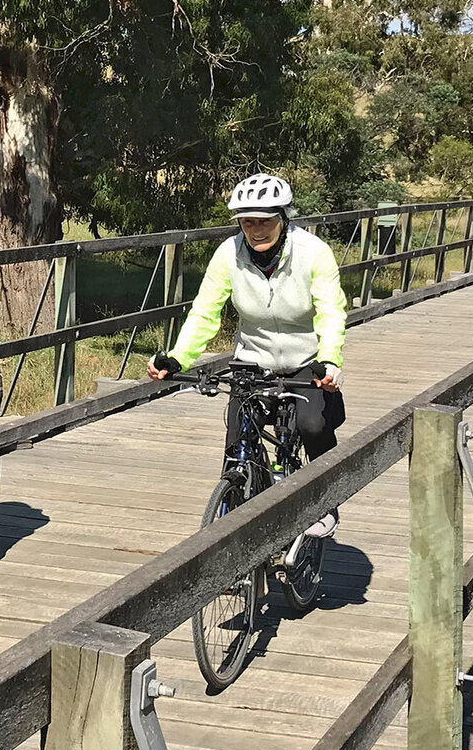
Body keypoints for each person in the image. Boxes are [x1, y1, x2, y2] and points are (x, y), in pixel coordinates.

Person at [148, 172, 349, 552]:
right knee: (236, 441)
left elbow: (330, 311)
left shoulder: (313, 252)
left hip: (307, 359)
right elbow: (205, 312)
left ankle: (325, 501)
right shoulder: (229, 254)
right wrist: (177, 357)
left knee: (312, 424)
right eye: (247, 220)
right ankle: (235, 510)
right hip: (252, 359)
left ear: (283, 217)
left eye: (265, 220)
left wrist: (329, 360)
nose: (256, 229)